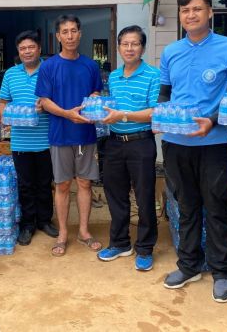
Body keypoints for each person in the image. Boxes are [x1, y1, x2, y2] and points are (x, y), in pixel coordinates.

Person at [159, 0, 227, 303]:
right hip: (175, 143)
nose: (190, 15)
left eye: (196, 9)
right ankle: (189, 265)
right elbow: (165, 94)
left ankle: (221, 272)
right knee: (186, 206)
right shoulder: (171, 51)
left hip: (214, 142)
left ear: (210, 12)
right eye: (185, 10)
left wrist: (212, 120)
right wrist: (162, 117)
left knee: (217, 206)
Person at [35, 14, 103, 256]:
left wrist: (94, 98)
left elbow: (96, 91)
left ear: (80, 34)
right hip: (60, 134)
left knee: (85, 183)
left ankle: (84, 231)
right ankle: (63, 233)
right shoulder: (49, 66)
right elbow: (44, 100)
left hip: (86, 133)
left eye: (74, 31)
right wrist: (67, 114)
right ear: (58, 36)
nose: (70, 36)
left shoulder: (90, 65)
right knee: (62, 185)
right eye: (65, 32)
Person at [97, 26, 160, 271]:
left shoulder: (153, 75)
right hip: (114, 143)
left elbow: (154, 112)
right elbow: (111, 108)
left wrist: (122, 116)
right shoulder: (114, 76)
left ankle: (145, 248)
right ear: (119, 47)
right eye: (125, 44)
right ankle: (120, 243)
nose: (129, 48)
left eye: (135, 44)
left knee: (144, 197)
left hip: (140, 142)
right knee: (115, 195)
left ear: (142, 48)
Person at [0, 30, 58, 246]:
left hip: (46, 139)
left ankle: (45, 220)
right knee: (25, 184)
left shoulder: (50, 70)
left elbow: (60, 101)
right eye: (23, 48)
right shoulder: (11, 74)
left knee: (45, 183)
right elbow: (2, 102)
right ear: (18, 51)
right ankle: (28, 224)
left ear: (39, 49)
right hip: (20, 140)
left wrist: (46, 106)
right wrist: (5, 115)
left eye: (31, 47)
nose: (27, 51)